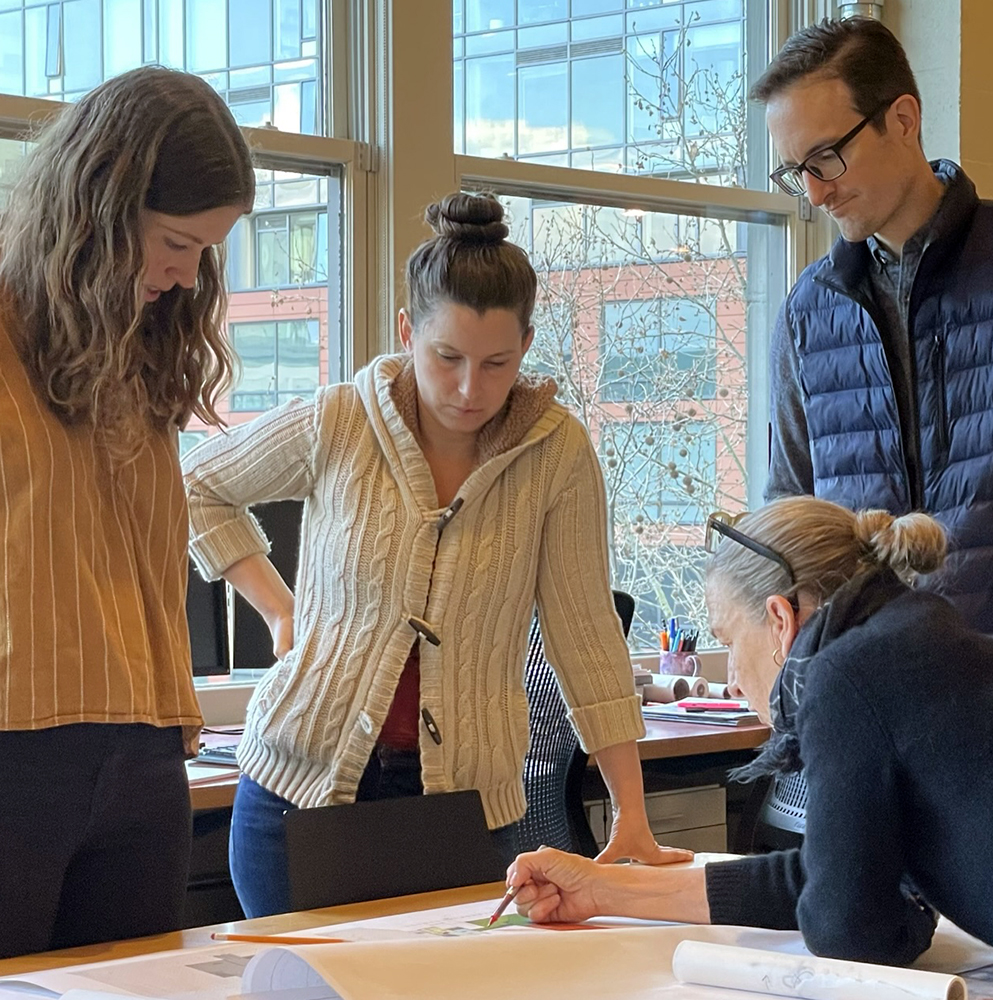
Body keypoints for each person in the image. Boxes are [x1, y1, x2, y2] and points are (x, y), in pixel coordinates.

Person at [182, 192, 689, 919]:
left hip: (466, 814)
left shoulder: (556, 454)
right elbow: (197, 484)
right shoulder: (340, 420)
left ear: (527, 346)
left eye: (497, 363)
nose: (468, 388)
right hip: (297, 791)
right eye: (446, 357)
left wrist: (630, 810)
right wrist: (278, 606)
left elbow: (585, 633)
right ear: (405, 332)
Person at [506, 497, 993, 965]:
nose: (736, 680)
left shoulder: (846, 675)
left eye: (728, 640)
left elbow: (848, 930)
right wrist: (601, 889)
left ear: (780, 619)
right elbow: (832, 880)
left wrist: (900, 902)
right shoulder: (915, 637)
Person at [0, 67, 254, 958]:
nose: (186, 276)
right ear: (101, 206)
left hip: (146, 752)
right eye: (177, 242)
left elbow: (146, 563)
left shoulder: (145, 355)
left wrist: (171, 722)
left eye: (205, 252)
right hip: (15, 746)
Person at [756, 17, 993, 634]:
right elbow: (791, 513)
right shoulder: (806, 313)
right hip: (867, 690)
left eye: (827, 158)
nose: (813, 194)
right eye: (795, 171)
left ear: (904, 119)